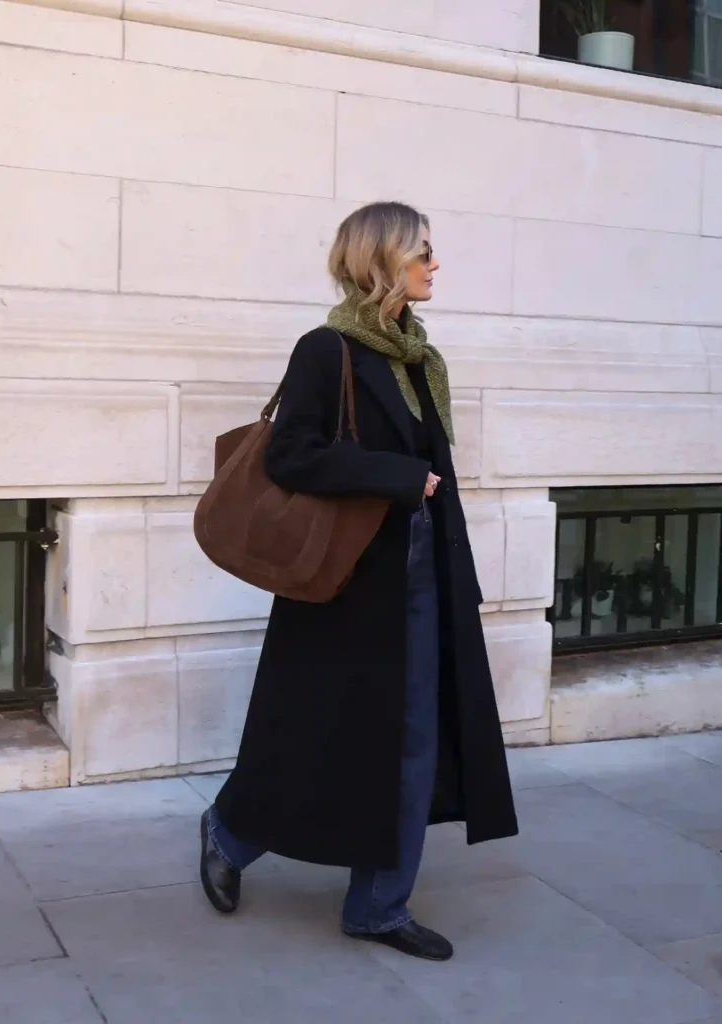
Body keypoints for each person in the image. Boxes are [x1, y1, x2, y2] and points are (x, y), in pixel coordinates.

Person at [199, 201, 518, 962]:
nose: (434, 264)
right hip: (346, 580)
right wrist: (398, 476)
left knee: (414, 739)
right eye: (422, 252)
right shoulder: (327, 350)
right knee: (311, 735)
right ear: (381, 261)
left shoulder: (419, 357)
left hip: (425, 572)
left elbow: (437, 471)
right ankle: (230, 832)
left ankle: (378, 905)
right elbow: (292, 455)